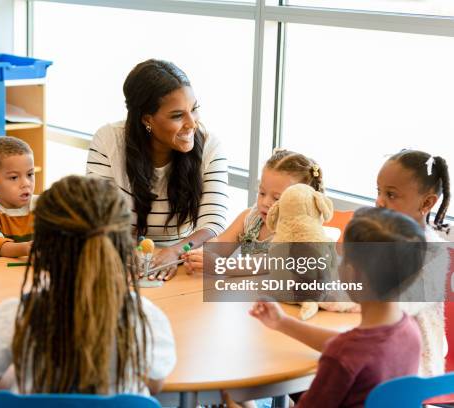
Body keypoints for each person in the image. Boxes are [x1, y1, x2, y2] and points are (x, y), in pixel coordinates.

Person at [0, 176, 176, 404]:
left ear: (41, 248)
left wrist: (15, 374)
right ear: (122, 248)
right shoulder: (145, 319)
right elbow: (154, 385)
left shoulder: (11, 318)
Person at [248, 207, 425, 408]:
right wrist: (283, 323)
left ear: (351, 273)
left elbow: (343, 352)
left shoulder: (342, 356)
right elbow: (347, 347)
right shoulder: (409, 330)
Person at [87, 59, 228, 279]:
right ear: (147, 119)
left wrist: (175, 251)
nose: (192, 123)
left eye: (194, 109)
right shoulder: (108, 140)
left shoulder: (211, 146)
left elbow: (214, 223)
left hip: (184, 263)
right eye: (177, 115)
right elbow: (98, 215)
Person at [182, 149, 325, 274]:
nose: (265, 202)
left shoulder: (296, 235)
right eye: (262, 193)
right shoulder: (251, 217)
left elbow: (266, 263)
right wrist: (203, 255)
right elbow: (222, 242)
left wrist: (221, 266)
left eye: (277, 198)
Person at [376, 149, 450, 376]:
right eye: (378, 191)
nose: (379, 201)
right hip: (382, 345)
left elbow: (397, 305)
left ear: (427, 202)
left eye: (391, 194)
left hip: (415, 364)